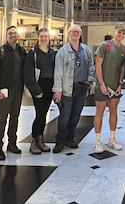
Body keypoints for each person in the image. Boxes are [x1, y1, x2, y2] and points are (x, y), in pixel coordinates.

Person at [52, 24, 95, 153]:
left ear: (80, 34)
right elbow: (58, 71)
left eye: (78, 32)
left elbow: (91, 66)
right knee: (64, 116)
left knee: (76, 115)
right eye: (73, 32)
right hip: (67, 88)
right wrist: (58, 89)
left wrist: (89, 81)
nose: (75, 34)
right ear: (69, 34)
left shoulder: (86, 50)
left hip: (82, 87)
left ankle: (70, 139)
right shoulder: (62, 52)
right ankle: (59, 141)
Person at [0, 25, 27, 161]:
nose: (13, 36)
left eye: (15, 33)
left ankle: (12, 143)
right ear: (6, 36)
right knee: (2, 119)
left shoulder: (22, 51)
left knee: (15, 118)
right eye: (10, 33)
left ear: (18, 36)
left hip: (18, 90)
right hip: (4, 91)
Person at [93, 23, 125, 153]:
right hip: (102, 85)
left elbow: (122, 68)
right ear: (115, 32)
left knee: (114, 111)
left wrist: (120, 84)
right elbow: (98, 65)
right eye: (119, 32)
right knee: (99, 112)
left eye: (123, 33)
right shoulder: (105, 46)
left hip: (115, 86)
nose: (121, 35)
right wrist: (102, 84)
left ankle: (112, 139)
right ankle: (97, 141)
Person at [24, 28, 56, 154]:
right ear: (38, 38)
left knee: (44, 113)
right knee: (40, 113)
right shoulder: (33, 53)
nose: (44, 39)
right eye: (41, 36)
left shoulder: (53, 53)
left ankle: (40, 139)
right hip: (38, 85)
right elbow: (28, 74)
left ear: (49, 38)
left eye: (46, 37)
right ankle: (34, 140)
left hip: (50, 86)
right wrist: (36, 89)